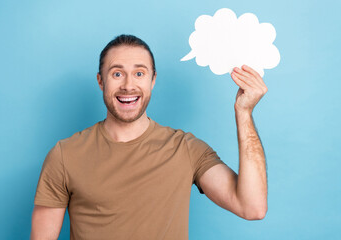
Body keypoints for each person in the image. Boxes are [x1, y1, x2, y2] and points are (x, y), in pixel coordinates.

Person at [31, 34, 268, 240]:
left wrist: (244, 112)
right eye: (116, 74)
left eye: (139, 73)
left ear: (152, 80)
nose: (128, 85)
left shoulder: (185, 149)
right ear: (100, 81)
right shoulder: (65, 155)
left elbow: (252, 207)